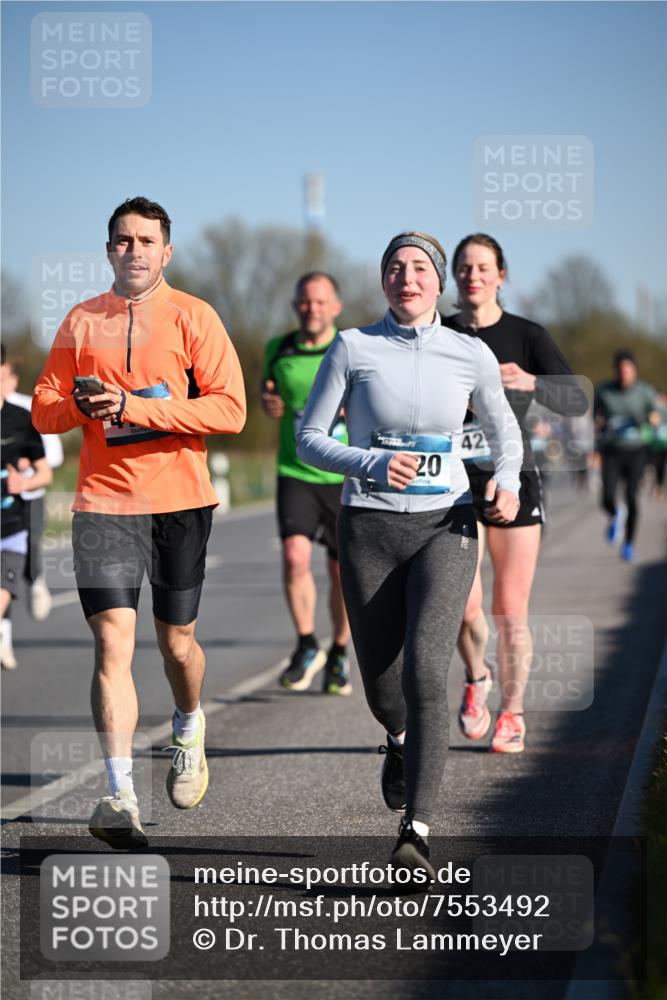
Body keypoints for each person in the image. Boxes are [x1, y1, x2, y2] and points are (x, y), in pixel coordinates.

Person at [297, 232, 522, 878]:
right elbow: (309, 438)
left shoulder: (467, 352)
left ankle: (415, 833)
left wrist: (503, 483)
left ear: (437, 282)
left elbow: (504, 432)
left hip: (444, 525)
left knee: (426, 670)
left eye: (419, 267)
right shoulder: (353, 347)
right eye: (393, 267)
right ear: (382, 282)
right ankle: (395, 741)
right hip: (366, 527)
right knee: (382, 687)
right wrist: (370, 460)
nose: (406, 276)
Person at [32, 196, 246, 849]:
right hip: (104, 502)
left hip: (178, 500)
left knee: (176, 644)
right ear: (108, 250)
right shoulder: (81, 320)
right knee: (112, 644)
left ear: (165, 251)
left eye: (145, 241)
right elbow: (44, 410)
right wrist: (80, 401)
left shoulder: (193, 316)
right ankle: (119, 792)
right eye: (122, 240)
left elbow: (230, 411)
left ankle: (187, 724)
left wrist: (137, 407)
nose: (133, 250)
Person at [446, 234, 589, 754]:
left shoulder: (527, 334)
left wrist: (533, 382)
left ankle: (512, 712)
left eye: (483, 267)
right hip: (452, 482)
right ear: (454, 277)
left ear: (501, 275)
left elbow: (576, 397)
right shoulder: (439, 332)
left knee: (509, 609)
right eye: (464, 267)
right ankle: (476, 678)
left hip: (513, 479)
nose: (473, 275)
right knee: (463, 606)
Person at [262, 272, 351, 694]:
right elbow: (269, 396)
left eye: (320, 302)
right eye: (304, 302)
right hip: (295, 471)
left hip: (342, 472)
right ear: (295, 305)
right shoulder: (277, 349)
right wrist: (270, 403)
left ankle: (339, 651)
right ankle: (305, 644)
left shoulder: (352, 348)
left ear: (336, 307)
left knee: (341, 571)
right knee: (295, 557)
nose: (311, 309)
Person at [1, 351, 53, 669]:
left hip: (11, 530)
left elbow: (45, 472)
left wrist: (25, 483)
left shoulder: (22, 420)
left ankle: (37, 580)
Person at [4, 354, 64, 627]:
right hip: (7, 498)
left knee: (30, 546)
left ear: (13, 379)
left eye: (6, 377)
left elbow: (53, 456)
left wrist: (26, 462)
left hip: (30, 493)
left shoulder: (28, 409)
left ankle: (36, 578)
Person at [593, 350, 660, 561]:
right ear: (616, 371)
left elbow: (657, 415)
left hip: (636, 451)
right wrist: (597, 442)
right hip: (611, 450)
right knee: (606, 497)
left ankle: (629, 544)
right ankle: (615, 514)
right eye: (621, 370)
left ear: (634, 370)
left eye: (628, 370)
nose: (624, 374)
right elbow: (596, 419)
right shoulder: (604, 391)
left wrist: (651, 418)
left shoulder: (645, 392)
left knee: (632, 496)